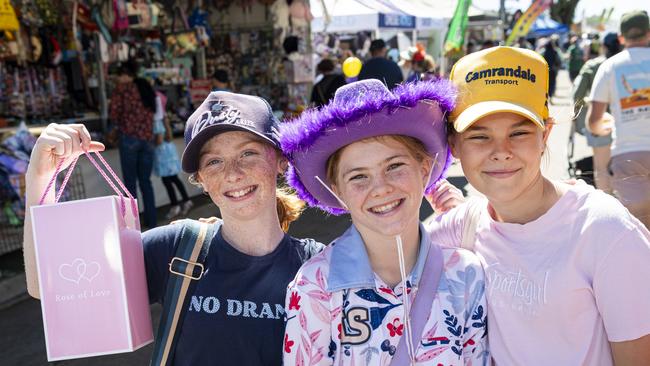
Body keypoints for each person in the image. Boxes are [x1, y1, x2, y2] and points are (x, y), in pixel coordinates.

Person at [22, 91, 325, 365]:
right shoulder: (178, 249)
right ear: (201, 180)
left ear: (280, 160)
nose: (233, 174)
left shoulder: (317, 268)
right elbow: (47, 288)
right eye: (214, 162)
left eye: (248, 153)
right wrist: (38, 177)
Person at [429, 46, 650, 365]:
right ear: (454, 145)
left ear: (545, 134)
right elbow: (390, 254)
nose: (501, 151)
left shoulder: (607, 232)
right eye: (480, 137)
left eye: (518, 133)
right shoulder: (466, 223)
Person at [280, 79, 489, 365]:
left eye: (394, 167)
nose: (380, 188)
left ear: (424, 170)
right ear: (337, 192)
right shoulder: (314, 287)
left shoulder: (465, 274)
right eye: (358, 177)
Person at [588, 10, 650, 229]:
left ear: (622, 37)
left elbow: (594, 122)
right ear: (649, 33)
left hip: (627, 155)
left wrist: (607, 126)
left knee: (638, 229)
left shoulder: (609, 67)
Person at [109, 60, 157, 228]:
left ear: (124, 75)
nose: (117, 80)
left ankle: (132, 224)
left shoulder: (122, 90)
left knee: (130, 185)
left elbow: (114, 114)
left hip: (129, 139)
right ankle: (152, 221)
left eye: (119, 76)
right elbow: (154, 110)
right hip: (148, 140)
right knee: (146, 182)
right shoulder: (145, 86)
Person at [571, 32, 622, 193]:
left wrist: (591, 103)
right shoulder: (628, 64)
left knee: (601, 168)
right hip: (629, 122)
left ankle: (609, 205)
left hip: (601, 122)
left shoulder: (593, 66)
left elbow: (577, 95)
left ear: (603, 47)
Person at [152, 87, 193, 219]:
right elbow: (168, 136)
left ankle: (175, 205)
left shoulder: (155, 120)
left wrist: (148, 141)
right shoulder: (164, 117)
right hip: (169, 151)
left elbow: (158, 139)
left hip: (161, 153)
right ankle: (186, 201)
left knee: (167, 181)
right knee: (174, 178)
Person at [542, 36, 562, 101]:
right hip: (553, 70)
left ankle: (546, 97)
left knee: (545, 84)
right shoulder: (555, 51)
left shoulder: (543, 52)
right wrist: (558, 67)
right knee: (552, 83)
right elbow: (558, 60)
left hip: (545, 70)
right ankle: (551, 96)